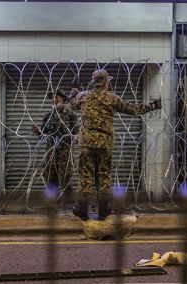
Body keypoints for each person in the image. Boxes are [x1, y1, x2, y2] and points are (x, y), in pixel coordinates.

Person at [68, 68, 161, 221]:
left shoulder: (84, 96)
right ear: (105, 83)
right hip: (104, 144)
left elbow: (71, 104)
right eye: (107, 82)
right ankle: (103, 210)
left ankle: (81, 209)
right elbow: (133, 109)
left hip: (86, 143)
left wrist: (74, 90)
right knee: (104, 176)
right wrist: (153, 106)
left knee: (85, 177)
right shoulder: (111, 98)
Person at [32, 89, 76, 199]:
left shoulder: (70, 114)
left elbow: (76, 132)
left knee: (65, 176)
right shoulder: (48, 116)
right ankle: (52, 202)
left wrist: (72, 144)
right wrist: (38, 131)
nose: (54, 100)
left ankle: (68, 202)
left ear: (63, 99)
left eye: (56, 97)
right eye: (52, 98)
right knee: (51, 177)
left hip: (64, 150)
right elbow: (43, 135)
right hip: (51, 149)